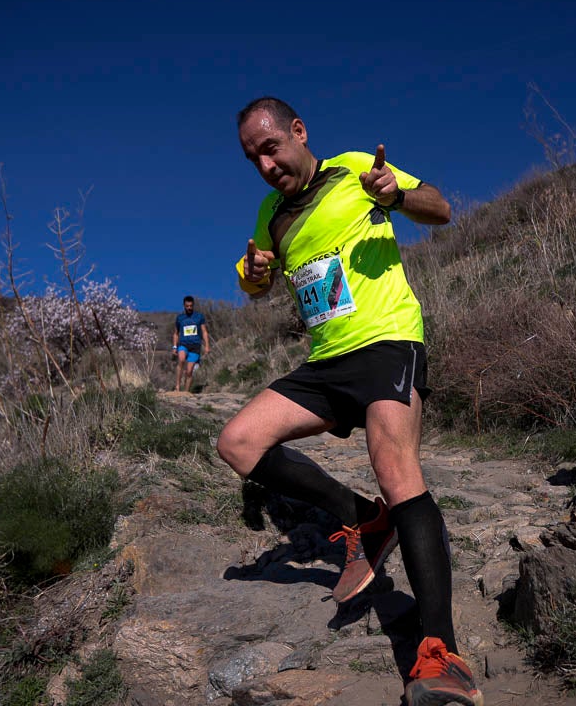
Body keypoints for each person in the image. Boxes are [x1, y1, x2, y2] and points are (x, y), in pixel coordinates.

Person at [217, 97, 482, 706]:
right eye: (252, 156)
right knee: (237, 442)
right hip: (325, 362)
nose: (264, 164)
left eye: (271, 147)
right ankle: (361, 516)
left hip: (387, 340)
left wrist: (391, 194)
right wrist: (255, 274)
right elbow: (255, 282)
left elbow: (439, 209)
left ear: (298, 132)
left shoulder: (354, 169)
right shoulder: (271, 213)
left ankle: (440, 653)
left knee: (396, 467)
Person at [172, 295, 209, 392]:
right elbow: (175, 334)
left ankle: (186, 392)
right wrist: (175, 346)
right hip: (183, 344)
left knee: (189, 371)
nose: (189, 308)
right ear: (184, 306)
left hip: (195, 346)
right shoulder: (180, 318)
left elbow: (204, 331)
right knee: (181, 359)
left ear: (193, 305)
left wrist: (207, 346)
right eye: (187, 306)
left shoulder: (199, 317)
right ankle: (177, 386)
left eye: (191, 306)